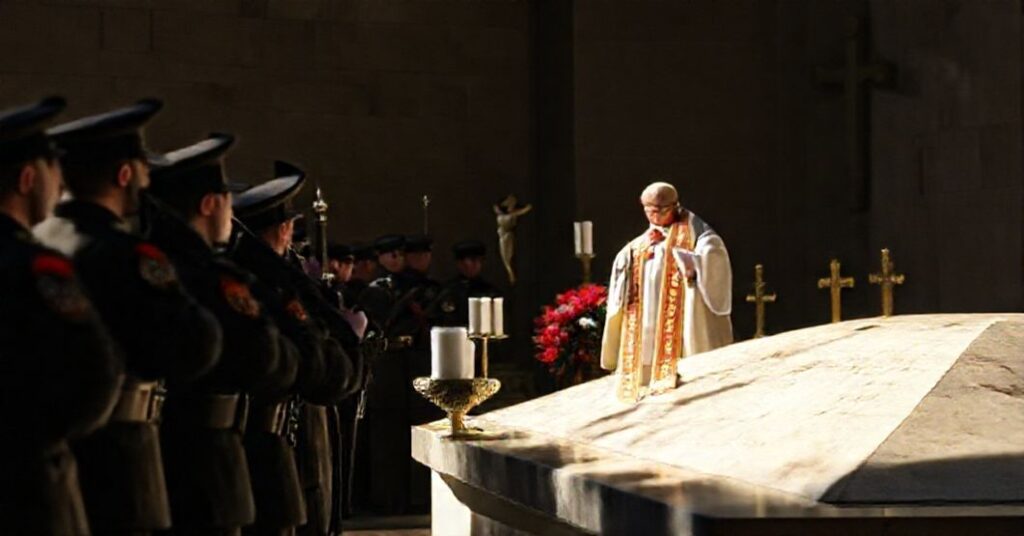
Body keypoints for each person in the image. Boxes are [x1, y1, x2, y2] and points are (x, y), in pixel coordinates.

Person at [35, 99, 223, 535]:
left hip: (60, 461)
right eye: (142, 173)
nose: (147, 184)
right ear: (124, 175)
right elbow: (196, 345)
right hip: (118, 459)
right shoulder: (123, 252)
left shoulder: (43, 241)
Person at [146, 133, 289, 535]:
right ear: (210, 205)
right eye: (227, 200)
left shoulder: (164, 266)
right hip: (205, 462)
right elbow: (267, 358)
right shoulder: (207, 276)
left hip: (164, 459)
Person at [0, 96, 123, 536]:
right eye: (54, 172)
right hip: (26, 486)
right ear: (28, 178)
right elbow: (94, 374)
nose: (59, 187)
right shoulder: (36, 267)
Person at [231, 160, 363, 536]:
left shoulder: (276, 275)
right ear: (284, 229)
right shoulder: (265, 282)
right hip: (275, 428)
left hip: (290, 421)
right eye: (288, 226)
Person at [600, 182, 733, 403]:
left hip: (679, 310)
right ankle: (644, 375)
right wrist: (631, 254)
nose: (654, 215)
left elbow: (712, 250)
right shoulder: (649, 234)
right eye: (649, 210)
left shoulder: (695, 229)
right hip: (646, 305)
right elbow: (636, 247)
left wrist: (693, 262)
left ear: (675, 206)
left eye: (660, 210)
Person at [434, 239, 501, 327]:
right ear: (457, 263)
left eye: (473, 261)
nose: (468, 265)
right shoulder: (446, 291)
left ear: (481, 262)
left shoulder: (491, 293)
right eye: (463, 262)